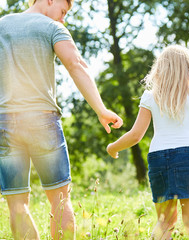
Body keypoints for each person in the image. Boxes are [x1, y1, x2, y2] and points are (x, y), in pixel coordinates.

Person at [0, 0, 123, 239]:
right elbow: (76, 64)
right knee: (60, 200)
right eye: (64, 11)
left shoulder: (1, 25)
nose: (63, 18)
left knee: (16, 204)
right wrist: (101, 110)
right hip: (42, 121)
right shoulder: (52, 28)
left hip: (4, 123)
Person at [107, 45, 189, 240]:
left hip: (158, 159)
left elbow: (136, 135)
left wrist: (113, 146)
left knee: (165, 222)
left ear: (159, 70)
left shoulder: (150, 97)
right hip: (187, 158)